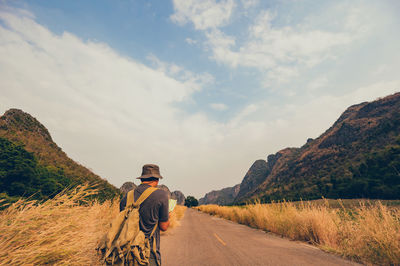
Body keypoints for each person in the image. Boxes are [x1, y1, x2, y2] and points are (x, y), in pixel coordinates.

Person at [120, 164, 170, 266]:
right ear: (157, 179)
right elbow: (164, 227)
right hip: (148, 253)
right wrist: (168, 215)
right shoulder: (161, 195)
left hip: (126, 252)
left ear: (142, 179)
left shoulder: (127, 197)